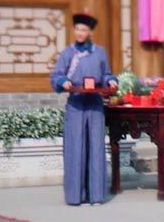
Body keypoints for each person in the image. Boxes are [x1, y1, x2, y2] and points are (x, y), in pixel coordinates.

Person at [50, 11, 117, 206]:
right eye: (77, 29)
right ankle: (75, 196)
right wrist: (63, 82)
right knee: (75, 146)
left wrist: (111, 81)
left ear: (90, 32)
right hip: (76, 102)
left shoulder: (99, 52)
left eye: (84, 29)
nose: (80, 33)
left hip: (95, 103)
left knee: (96, 147)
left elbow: (106, 74)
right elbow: (56, 75)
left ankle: (96, 195)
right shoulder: (68, 53)